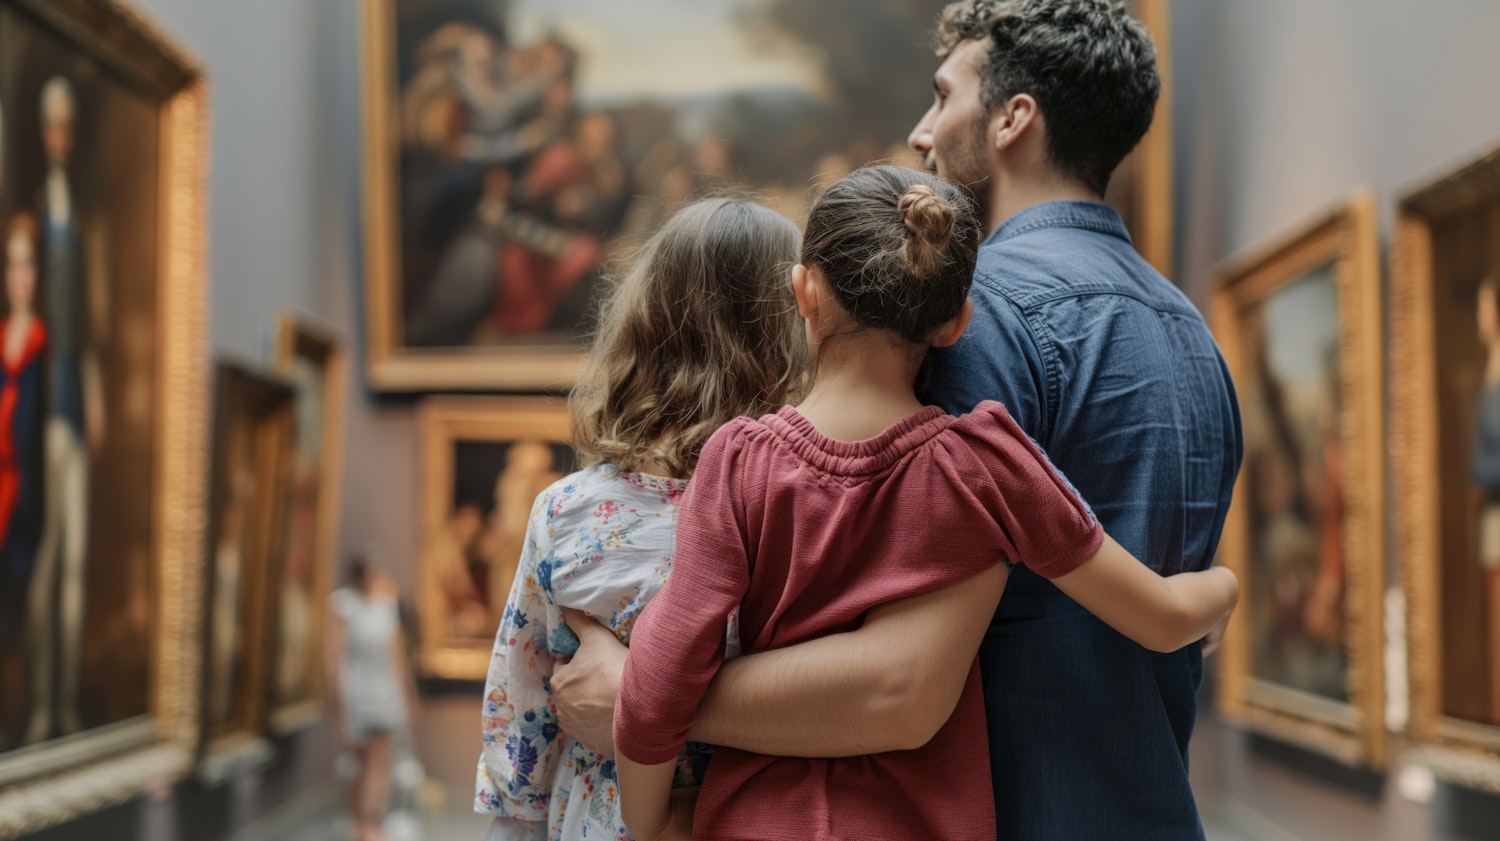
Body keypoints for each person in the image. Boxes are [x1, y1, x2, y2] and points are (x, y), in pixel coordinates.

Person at [551, 3, 1243, 839]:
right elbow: (1165, 622)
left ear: (1014, 120)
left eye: (944, 95)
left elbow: (897, 691)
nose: (921, 132)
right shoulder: (1198, 340)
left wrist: (640, 696)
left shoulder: (989, 320)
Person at [472, 198, 806, 841]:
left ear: (642, 327)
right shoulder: (802, 511)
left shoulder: (566, 512)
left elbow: (521, 733)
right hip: (756, 814)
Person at [26, 75, 104, 744]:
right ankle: (40, 700)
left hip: (74, 394)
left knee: (74, 551)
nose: (60, 138)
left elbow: (86, 316)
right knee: (51, 552)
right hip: (40, 402)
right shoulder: (29, 210)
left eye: (67, 126)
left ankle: (61, 705)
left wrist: (96, 388)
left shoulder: (78, 211)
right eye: (51, 124)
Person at [326, 556, 419, 841]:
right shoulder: (343, 606)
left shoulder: (387, 606)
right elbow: (333, 656)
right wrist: (337, 699)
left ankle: (370, 821)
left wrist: (408, 693)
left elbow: (397, 656)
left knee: (380, 756)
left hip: (384, 690)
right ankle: (359, 820)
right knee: (359, 758)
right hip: (356, 689)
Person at [0, 213, 48, 654]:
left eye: (27, 264)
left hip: (22, 499)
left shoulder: (42, 345)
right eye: (12, 264)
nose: (19, 276)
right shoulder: (1, 338)